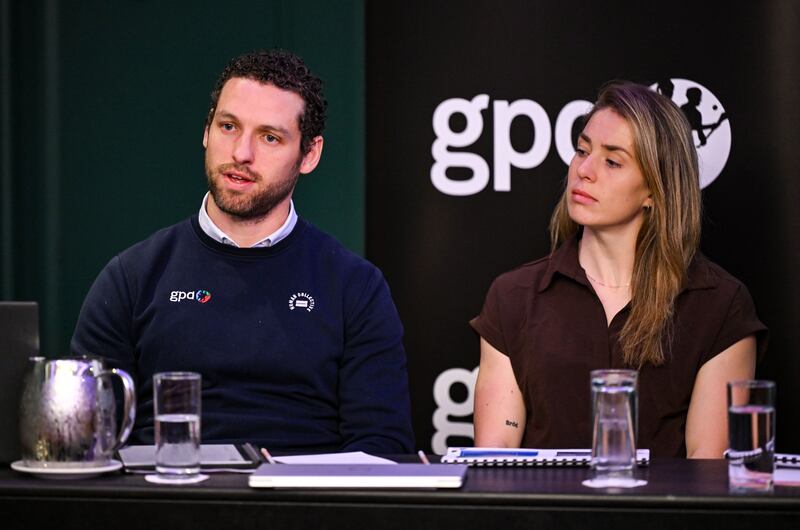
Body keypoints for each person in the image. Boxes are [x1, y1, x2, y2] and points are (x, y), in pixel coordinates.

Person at [71, 50, 414, 454]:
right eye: (229, 126)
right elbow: (86, 442)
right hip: (167, 501)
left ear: (310, 154)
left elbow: (382, 448)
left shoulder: (355, 287)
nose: (241, 153)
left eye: (270, 137)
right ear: (206, 131)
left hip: (305, 511)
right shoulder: (132, 278)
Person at [470, 81, 767, 458]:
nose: (584, 170)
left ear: (655, 192)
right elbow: (497, 459)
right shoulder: (512, 296)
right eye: (582, 150)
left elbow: (707, 480)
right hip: (544, 518)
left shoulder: (720, 305)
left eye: (612, 161)